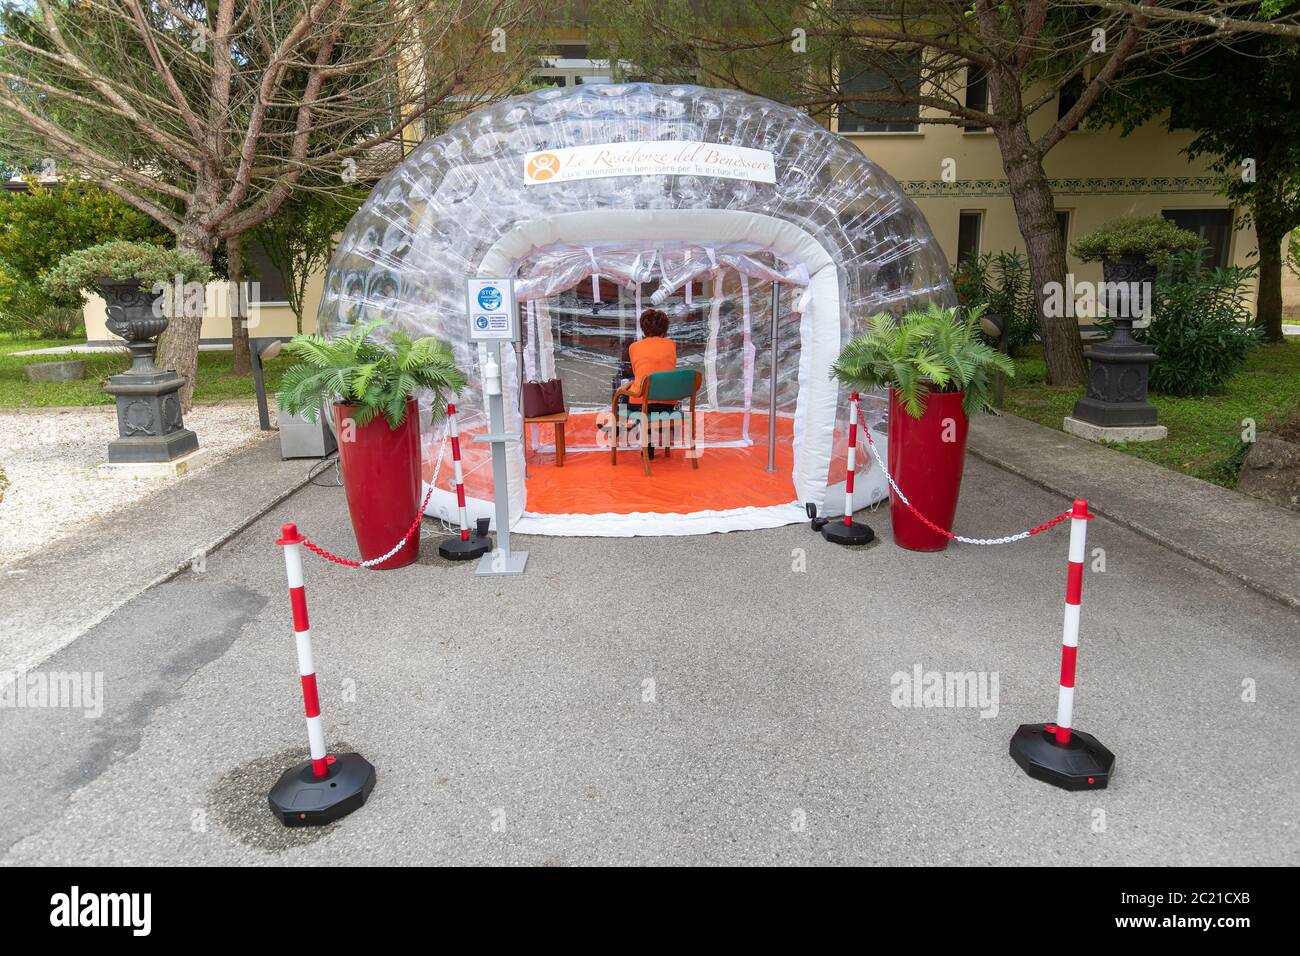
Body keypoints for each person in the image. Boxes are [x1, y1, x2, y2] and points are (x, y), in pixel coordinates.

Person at [606, 308, 679, 456]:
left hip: (643, 403)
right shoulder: (672, 345)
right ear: (665, 329)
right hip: (669, 402)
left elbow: (637, 372)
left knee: (629, 393)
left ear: (643, 329)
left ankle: (619, 426)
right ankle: (646, 445)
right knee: (650, 396)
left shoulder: (634, 347)